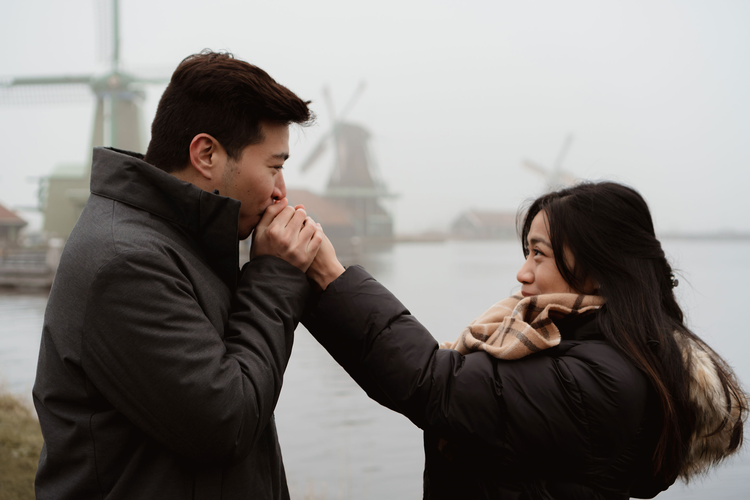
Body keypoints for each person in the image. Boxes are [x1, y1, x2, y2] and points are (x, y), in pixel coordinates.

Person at [301, 181, 747, 499]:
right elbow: (432, 385)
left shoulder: (600, 379)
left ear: (597, 269)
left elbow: (436, 385)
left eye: (539, 253)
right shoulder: (570, 347)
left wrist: (328, 275)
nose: (523, 272)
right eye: (525, 252)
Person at [33, 51, 322, 500]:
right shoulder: (125, 262)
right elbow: (228, 423)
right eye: (275, 166)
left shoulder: (182, 242)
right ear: (206, 153)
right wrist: (274, 275)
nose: (282, 190)